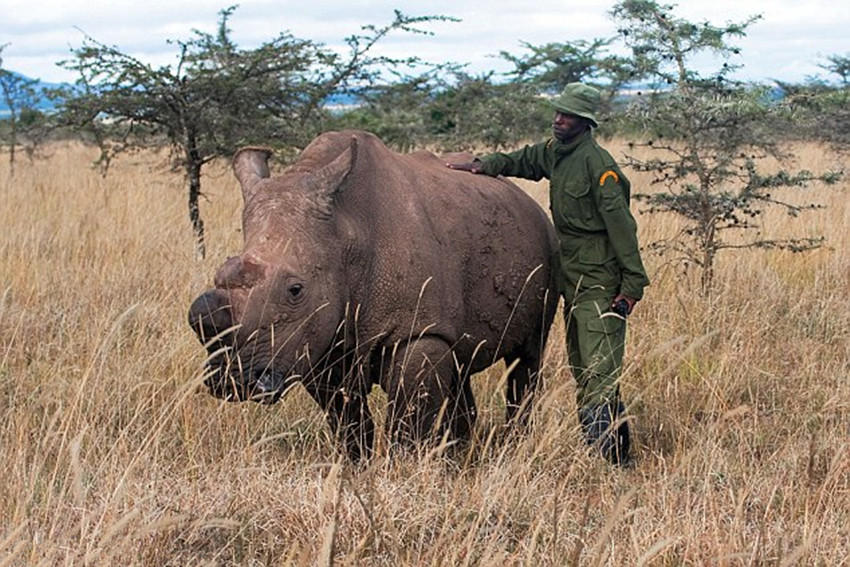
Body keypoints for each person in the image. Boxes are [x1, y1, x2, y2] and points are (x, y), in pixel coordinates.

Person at [446, 82, 649, 466]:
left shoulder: (600, 168)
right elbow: (524, 160)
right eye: (557, 112)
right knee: (582, 362)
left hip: (599, 277)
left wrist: (632, 284)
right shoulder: (558, 153)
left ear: (585, 123)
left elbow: (623, 230)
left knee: (597, 367)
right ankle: (613, 453)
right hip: (568, 273)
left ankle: (611, 459)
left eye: (568, 115)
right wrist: (482, 165)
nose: (559, 120)